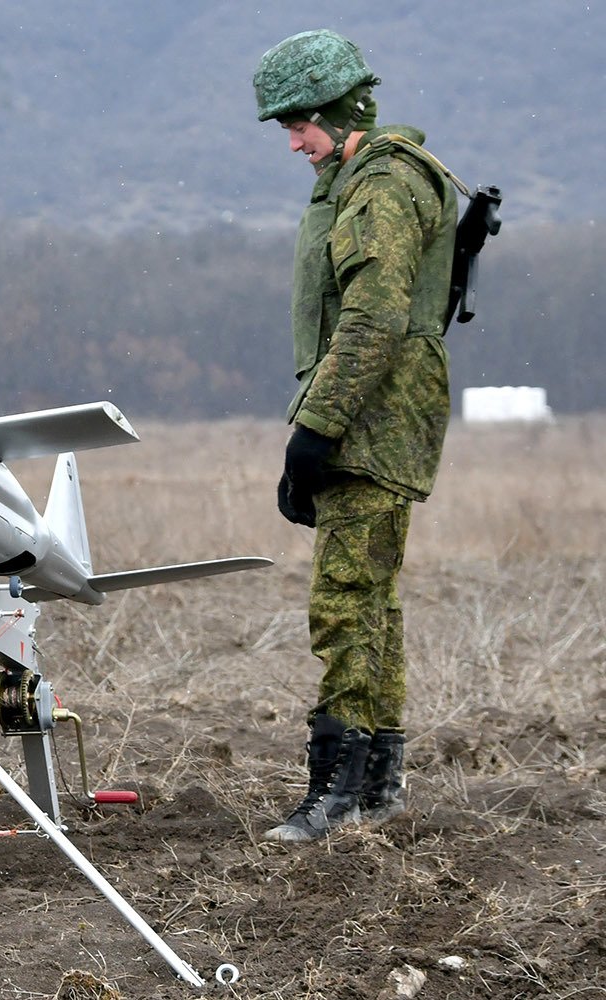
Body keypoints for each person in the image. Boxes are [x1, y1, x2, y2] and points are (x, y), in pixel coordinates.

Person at [251, 30, 460, 842]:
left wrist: (315, 430)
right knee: (373, 601)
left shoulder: (381, 185)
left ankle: (334, 790)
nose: (295, 143)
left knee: (344, 603)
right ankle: (375, 784)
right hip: (374, 417)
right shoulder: (367, 176)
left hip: (370, 420)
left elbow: (373, 320)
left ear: (341, 112)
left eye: (299, 124)